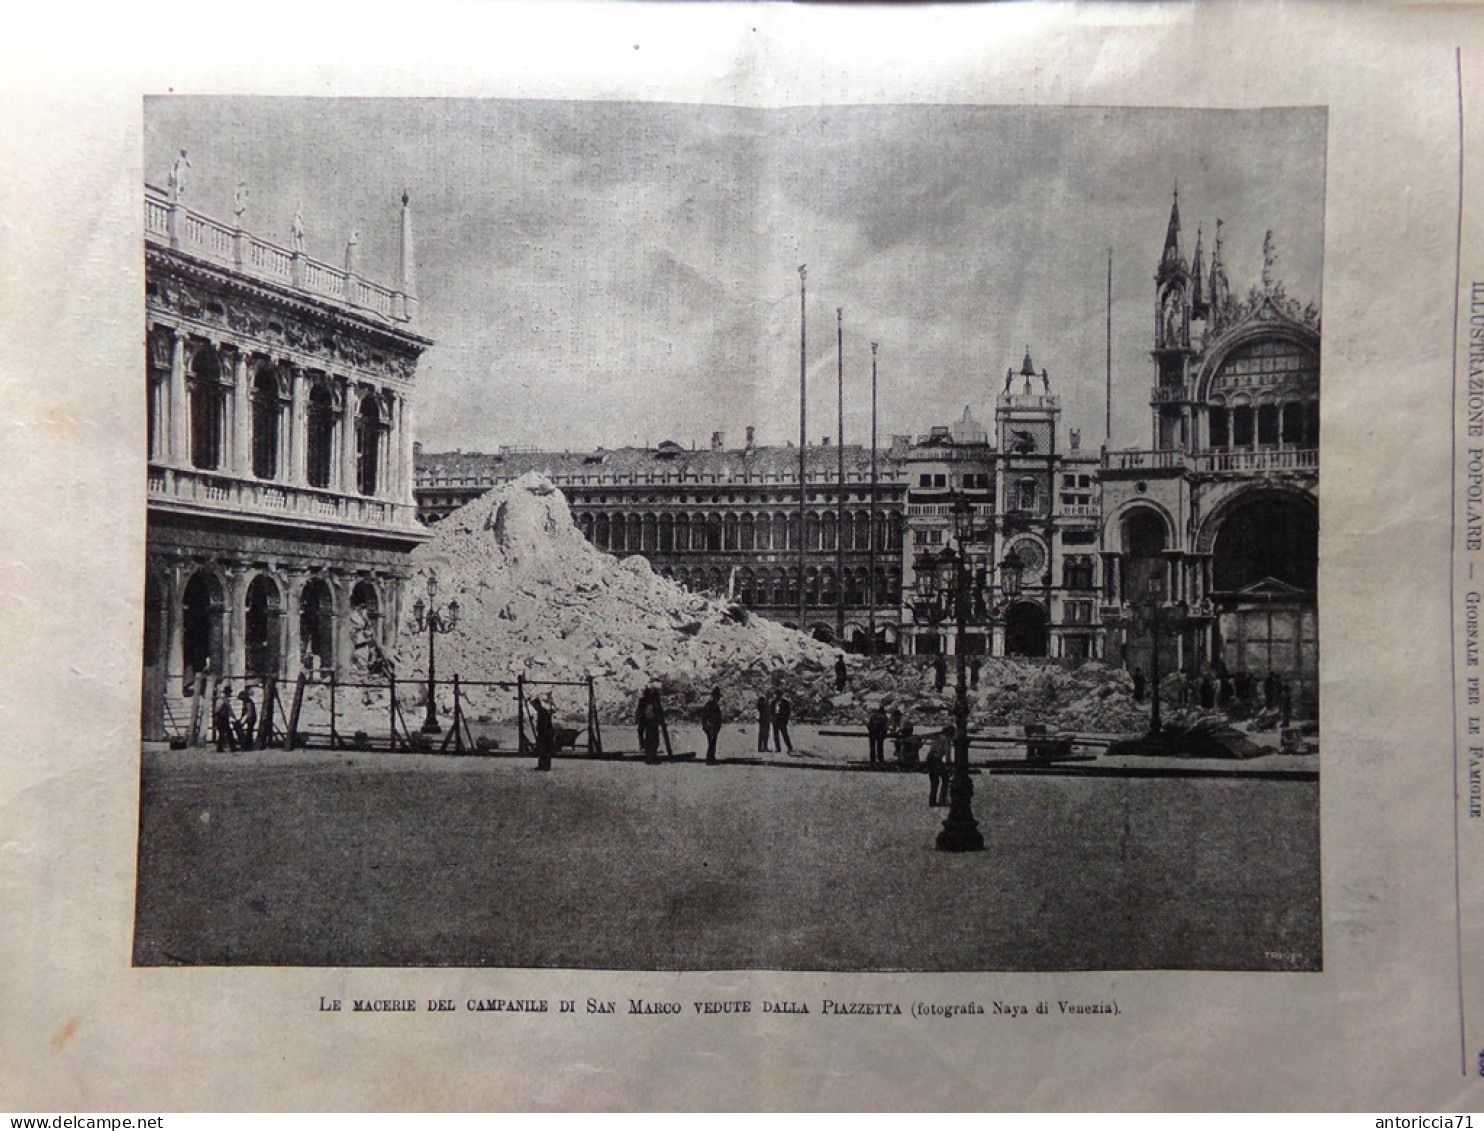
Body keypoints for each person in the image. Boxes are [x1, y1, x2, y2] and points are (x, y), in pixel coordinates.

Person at [926, 724, 954, 807]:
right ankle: (942, 799)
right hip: (936, 759)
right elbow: (947, 754)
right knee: (945, 779)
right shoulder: (946, 740)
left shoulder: (938, 737)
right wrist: (950, 765)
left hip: (930, 758)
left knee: (934, 781)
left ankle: (932, 800)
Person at [701, 687, 724, 765]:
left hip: (713, 728)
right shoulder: (710, 705)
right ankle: (710, 759)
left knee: (712, 743)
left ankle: (711, 758)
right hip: (711, 727)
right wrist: (709, 725)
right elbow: (705, 717)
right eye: (717, 696)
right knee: (711, 743)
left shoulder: (713, 704)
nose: (718, 698)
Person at [213, 684, 238, 752]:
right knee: (225, 733)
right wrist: (217, 717)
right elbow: (217, 709)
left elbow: (230, 710)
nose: (229, 694)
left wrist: (234, 717)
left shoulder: (226, 700)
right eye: (229, 693)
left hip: (224, 718)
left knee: (224, 733)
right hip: (221, 718)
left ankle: (222, 747)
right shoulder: (221, 700)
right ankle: (229, 747)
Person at [533, 696, 554, 771]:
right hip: (542, 734)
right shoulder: (540, 712)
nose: (534, 708)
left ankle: (546, 766)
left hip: (545, 734)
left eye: (535, 706)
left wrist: (544, 734)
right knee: (541, 750)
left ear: (538, 705)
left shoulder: (543, 712)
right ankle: (541, 765)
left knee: (546, 750)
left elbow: (545, 725)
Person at [235, 687, 258, 751]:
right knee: (248, 731)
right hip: (249, 717)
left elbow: (249, 714)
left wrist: (244, 722)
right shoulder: (245, 702)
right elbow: (244, 712)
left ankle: (249, 746)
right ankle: (247, 745)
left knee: (249, 731)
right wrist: (240, 719)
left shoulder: (248, 702)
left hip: (252, 718)